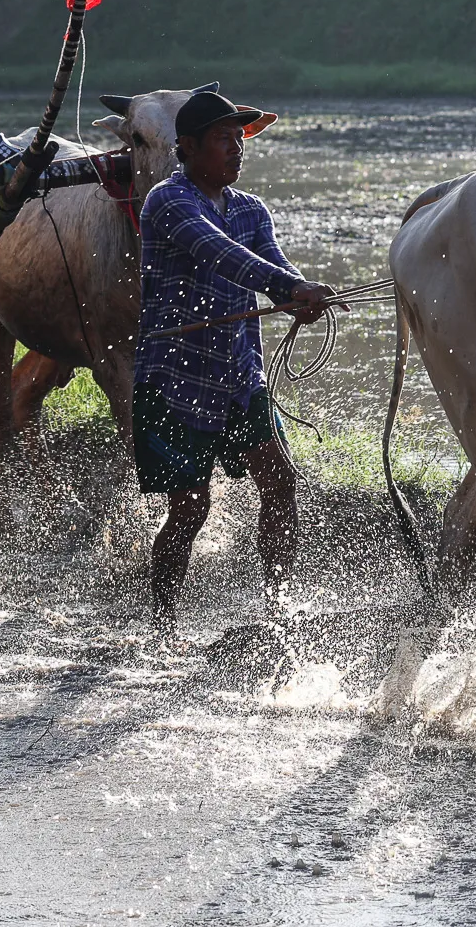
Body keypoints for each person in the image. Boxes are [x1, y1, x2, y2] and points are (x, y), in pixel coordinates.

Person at [133, 90, 334, 626]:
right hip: (176, 377)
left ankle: (278, 609)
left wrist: (296, 298)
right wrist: (289, 287)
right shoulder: (168, 201)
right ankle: (164, 623)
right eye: (222, 140)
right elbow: (221, 255)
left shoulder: (250, 209)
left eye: (238, 139)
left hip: (239, 375)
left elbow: (269, 264)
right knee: (191, 508)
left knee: (281, 480)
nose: (235, 149)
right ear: (189, 148)